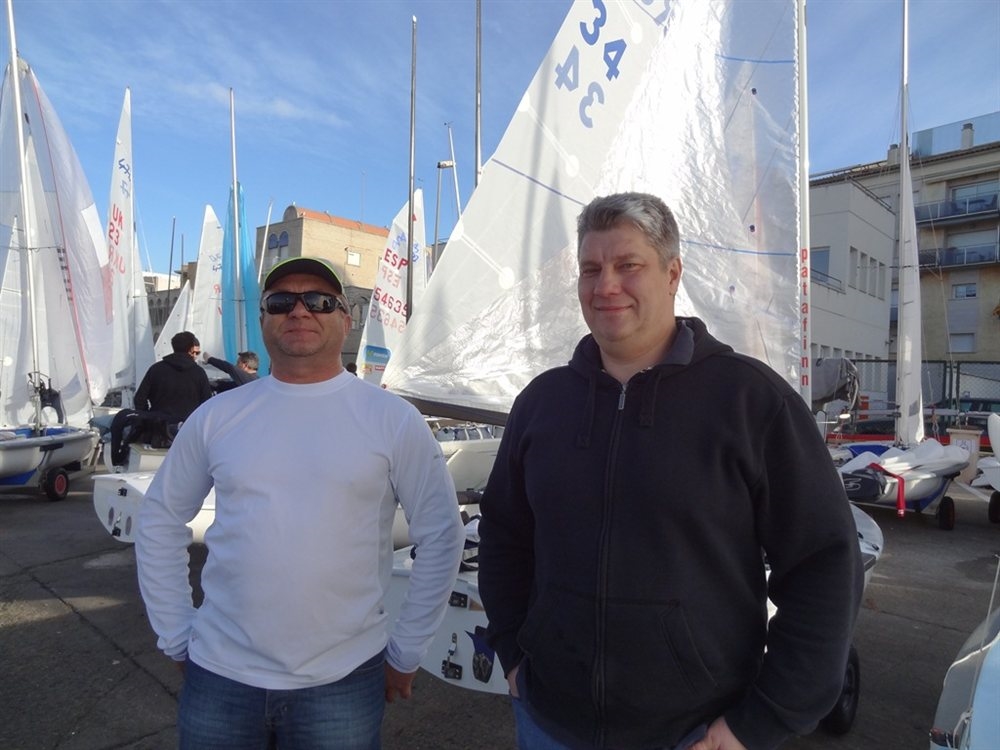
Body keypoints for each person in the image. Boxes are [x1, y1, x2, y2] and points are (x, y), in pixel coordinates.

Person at [477, 193, 864, 750]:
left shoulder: (751, 401)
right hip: (549, 720)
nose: (606, 285)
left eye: (628, 265)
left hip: (697, 733)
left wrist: (762, 719)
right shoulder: (541, 403)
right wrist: (514, 653)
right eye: (591, 269)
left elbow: (824, 563)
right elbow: (503, 535)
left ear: (672, 274)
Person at [135, 256, 465, 749]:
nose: (299, 310)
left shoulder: (393, 419)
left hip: (344, 678)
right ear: (264, 319)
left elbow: (441, 534)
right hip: (219, 673)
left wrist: (408, 650)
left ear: (345, 319)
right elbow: (159, 521)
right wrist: (176, 634)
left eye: (319, 301)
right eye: (281, 301)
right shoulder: (217, 416)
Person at [133, 330, 213, 422]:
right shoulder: (199, 372)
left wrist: (148, 418)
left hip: (159, 425)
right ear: (191, 349)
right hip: (188, 425)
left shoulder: (156, 369)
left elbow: (139, 399)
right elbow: (207, 403)